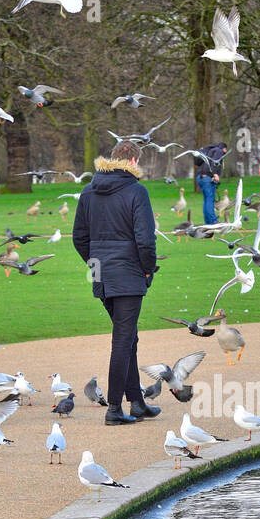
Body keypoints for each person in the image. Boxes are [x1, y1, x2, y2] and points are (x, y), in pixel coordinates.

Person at [72, 140, 160, 426]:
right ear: (134, 162)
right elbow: (145, 240)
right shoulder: (136, 191)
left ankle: (136, 402)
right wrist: (147, 270)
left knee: (128, 335)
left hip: (100, 271)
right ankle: (113, 407)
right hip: (127, 272)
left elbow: (79, 238)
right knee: (123, 340)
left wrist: (95, 261)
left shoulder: (88, 191)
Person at [193, 142, 228, 224]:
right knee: (210, 199)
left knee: (206, 200)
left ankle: (208, 221)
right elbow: (215, 162)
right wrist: (215, 174)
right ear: (224, 148)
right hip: (208, 178)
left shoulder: (208, 151)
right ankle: (213, 220)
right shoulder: (219, 151)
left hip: (200, 177)